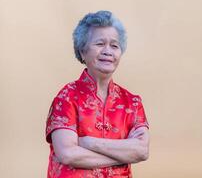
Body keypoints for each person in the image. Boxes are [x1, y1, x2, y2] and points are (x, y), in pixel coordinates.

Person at [45, 10, 150, 178]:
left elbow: (142, 151)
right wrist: (123, 153)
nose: (108, 51)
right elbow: (68, 154)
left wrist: (88, 142)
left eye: (115, 45)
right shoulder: (66, 97)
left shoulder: (132, 102)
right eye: (100, 44)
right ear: (82, 51)